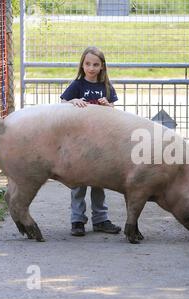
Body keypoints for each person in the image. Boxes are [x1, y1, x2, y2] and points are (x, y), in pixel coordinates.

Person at [60, 46, 121, 236]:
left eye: (95, 64)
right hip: (79, 143)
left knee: (98, 183)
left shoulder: (106, 87)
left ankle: (100, 220)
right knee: (78, 184)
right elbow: (62, 103)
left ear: (102, 66)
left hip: (100, 144)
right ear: (82, 65)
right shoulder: (77, 85)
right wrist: (73, 102)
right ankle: (77, 220)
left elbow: (114, 113)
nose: (91, 68)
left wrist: (107, 105)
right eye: (88, 64)